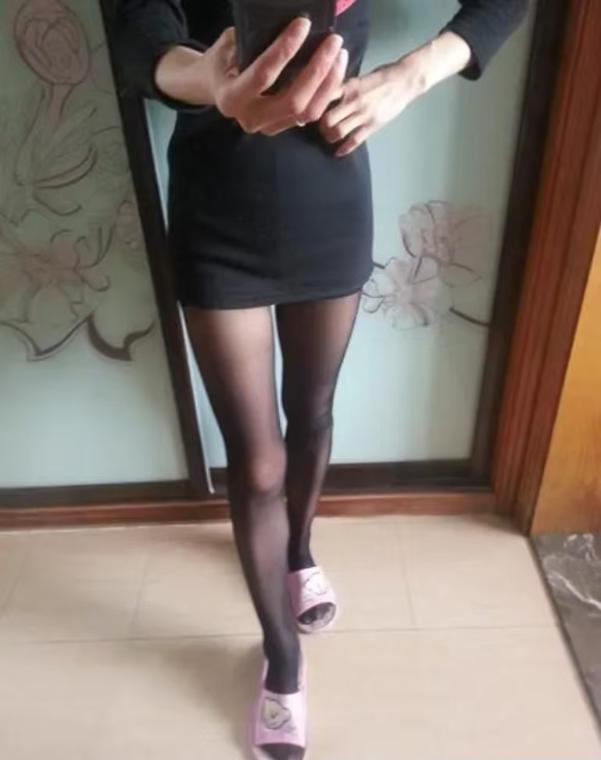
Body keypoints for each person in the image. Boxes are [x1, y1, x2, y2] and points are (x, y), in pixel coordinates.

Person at [111, 2, 528, 758]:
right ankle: (282, 659)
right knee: (256, 460)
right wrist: (207, 80)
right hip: (213, 206)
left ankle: (299, 553)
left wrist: (408, 76)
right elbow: (137, 29)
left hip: (330, 189)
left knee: (312, 412)